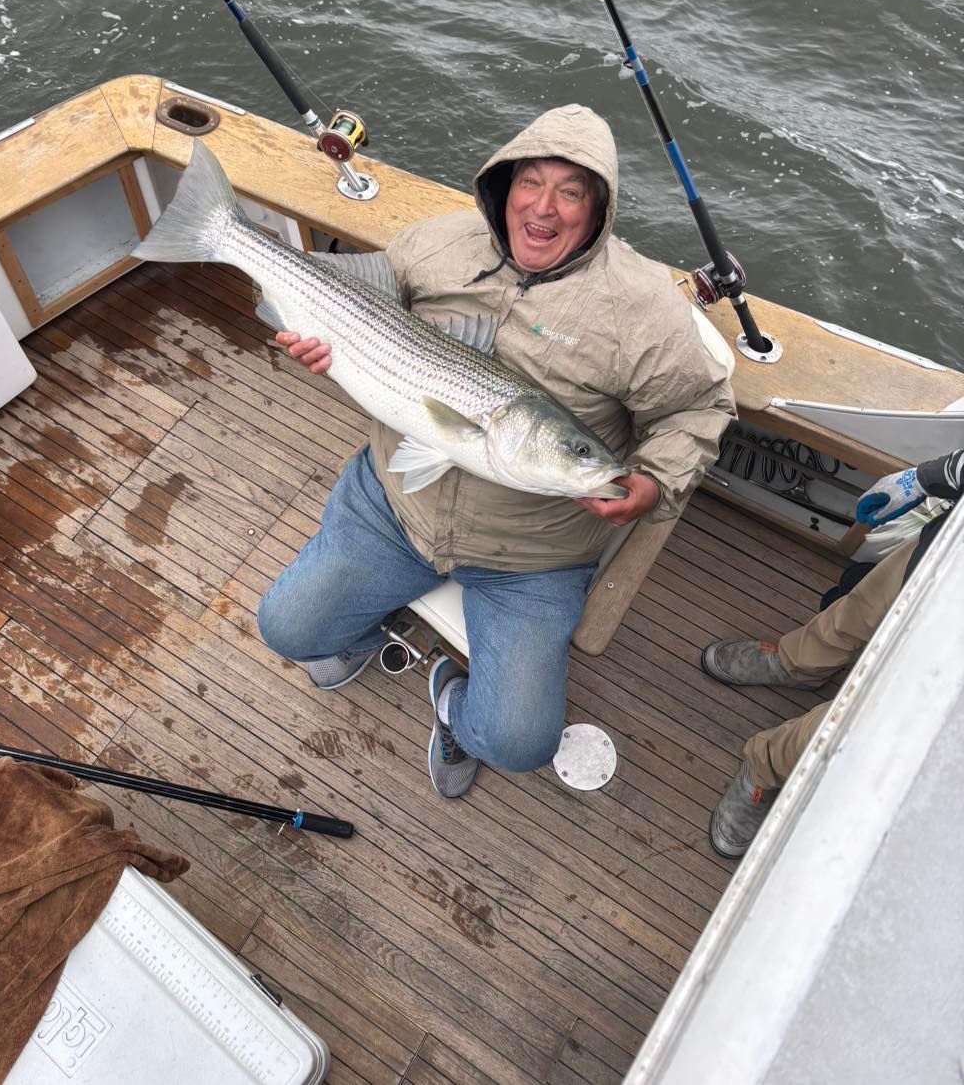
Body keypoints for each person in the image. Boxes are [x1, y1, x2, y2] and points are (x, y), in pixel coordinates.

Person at [258, 104, 735, 798]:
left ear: (600, 208)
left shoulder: (645, 311)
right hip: (395, 503)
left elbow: (700, 408)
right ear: (501, 186)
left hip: (531, 558)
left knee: (519, 743)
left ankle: (457, 705)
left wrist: (654, 482)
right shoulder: (435, 244)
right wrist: (327, 346)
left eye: (571, 192)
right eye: (529, 184)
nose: (543, 209)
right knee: (286, 629)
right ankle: (367, 621)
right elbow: (365, 314)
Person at [702, 449, 963, 857]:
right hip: (944, 551)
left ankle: (765, 765)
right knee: (860, 610)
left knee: (869, 718)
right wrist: (927, 478)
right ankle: (795, 663)